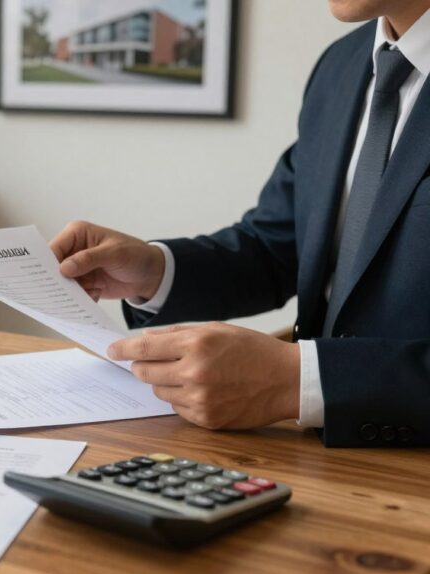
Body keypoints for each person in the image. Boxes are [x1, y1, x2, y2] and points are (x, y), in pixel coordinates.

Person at [50, 0, 430, 447]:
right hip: (319, 464)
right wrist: (156, 269)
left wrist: (296, 380)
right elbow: (279, 245)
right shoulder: (341, 66)